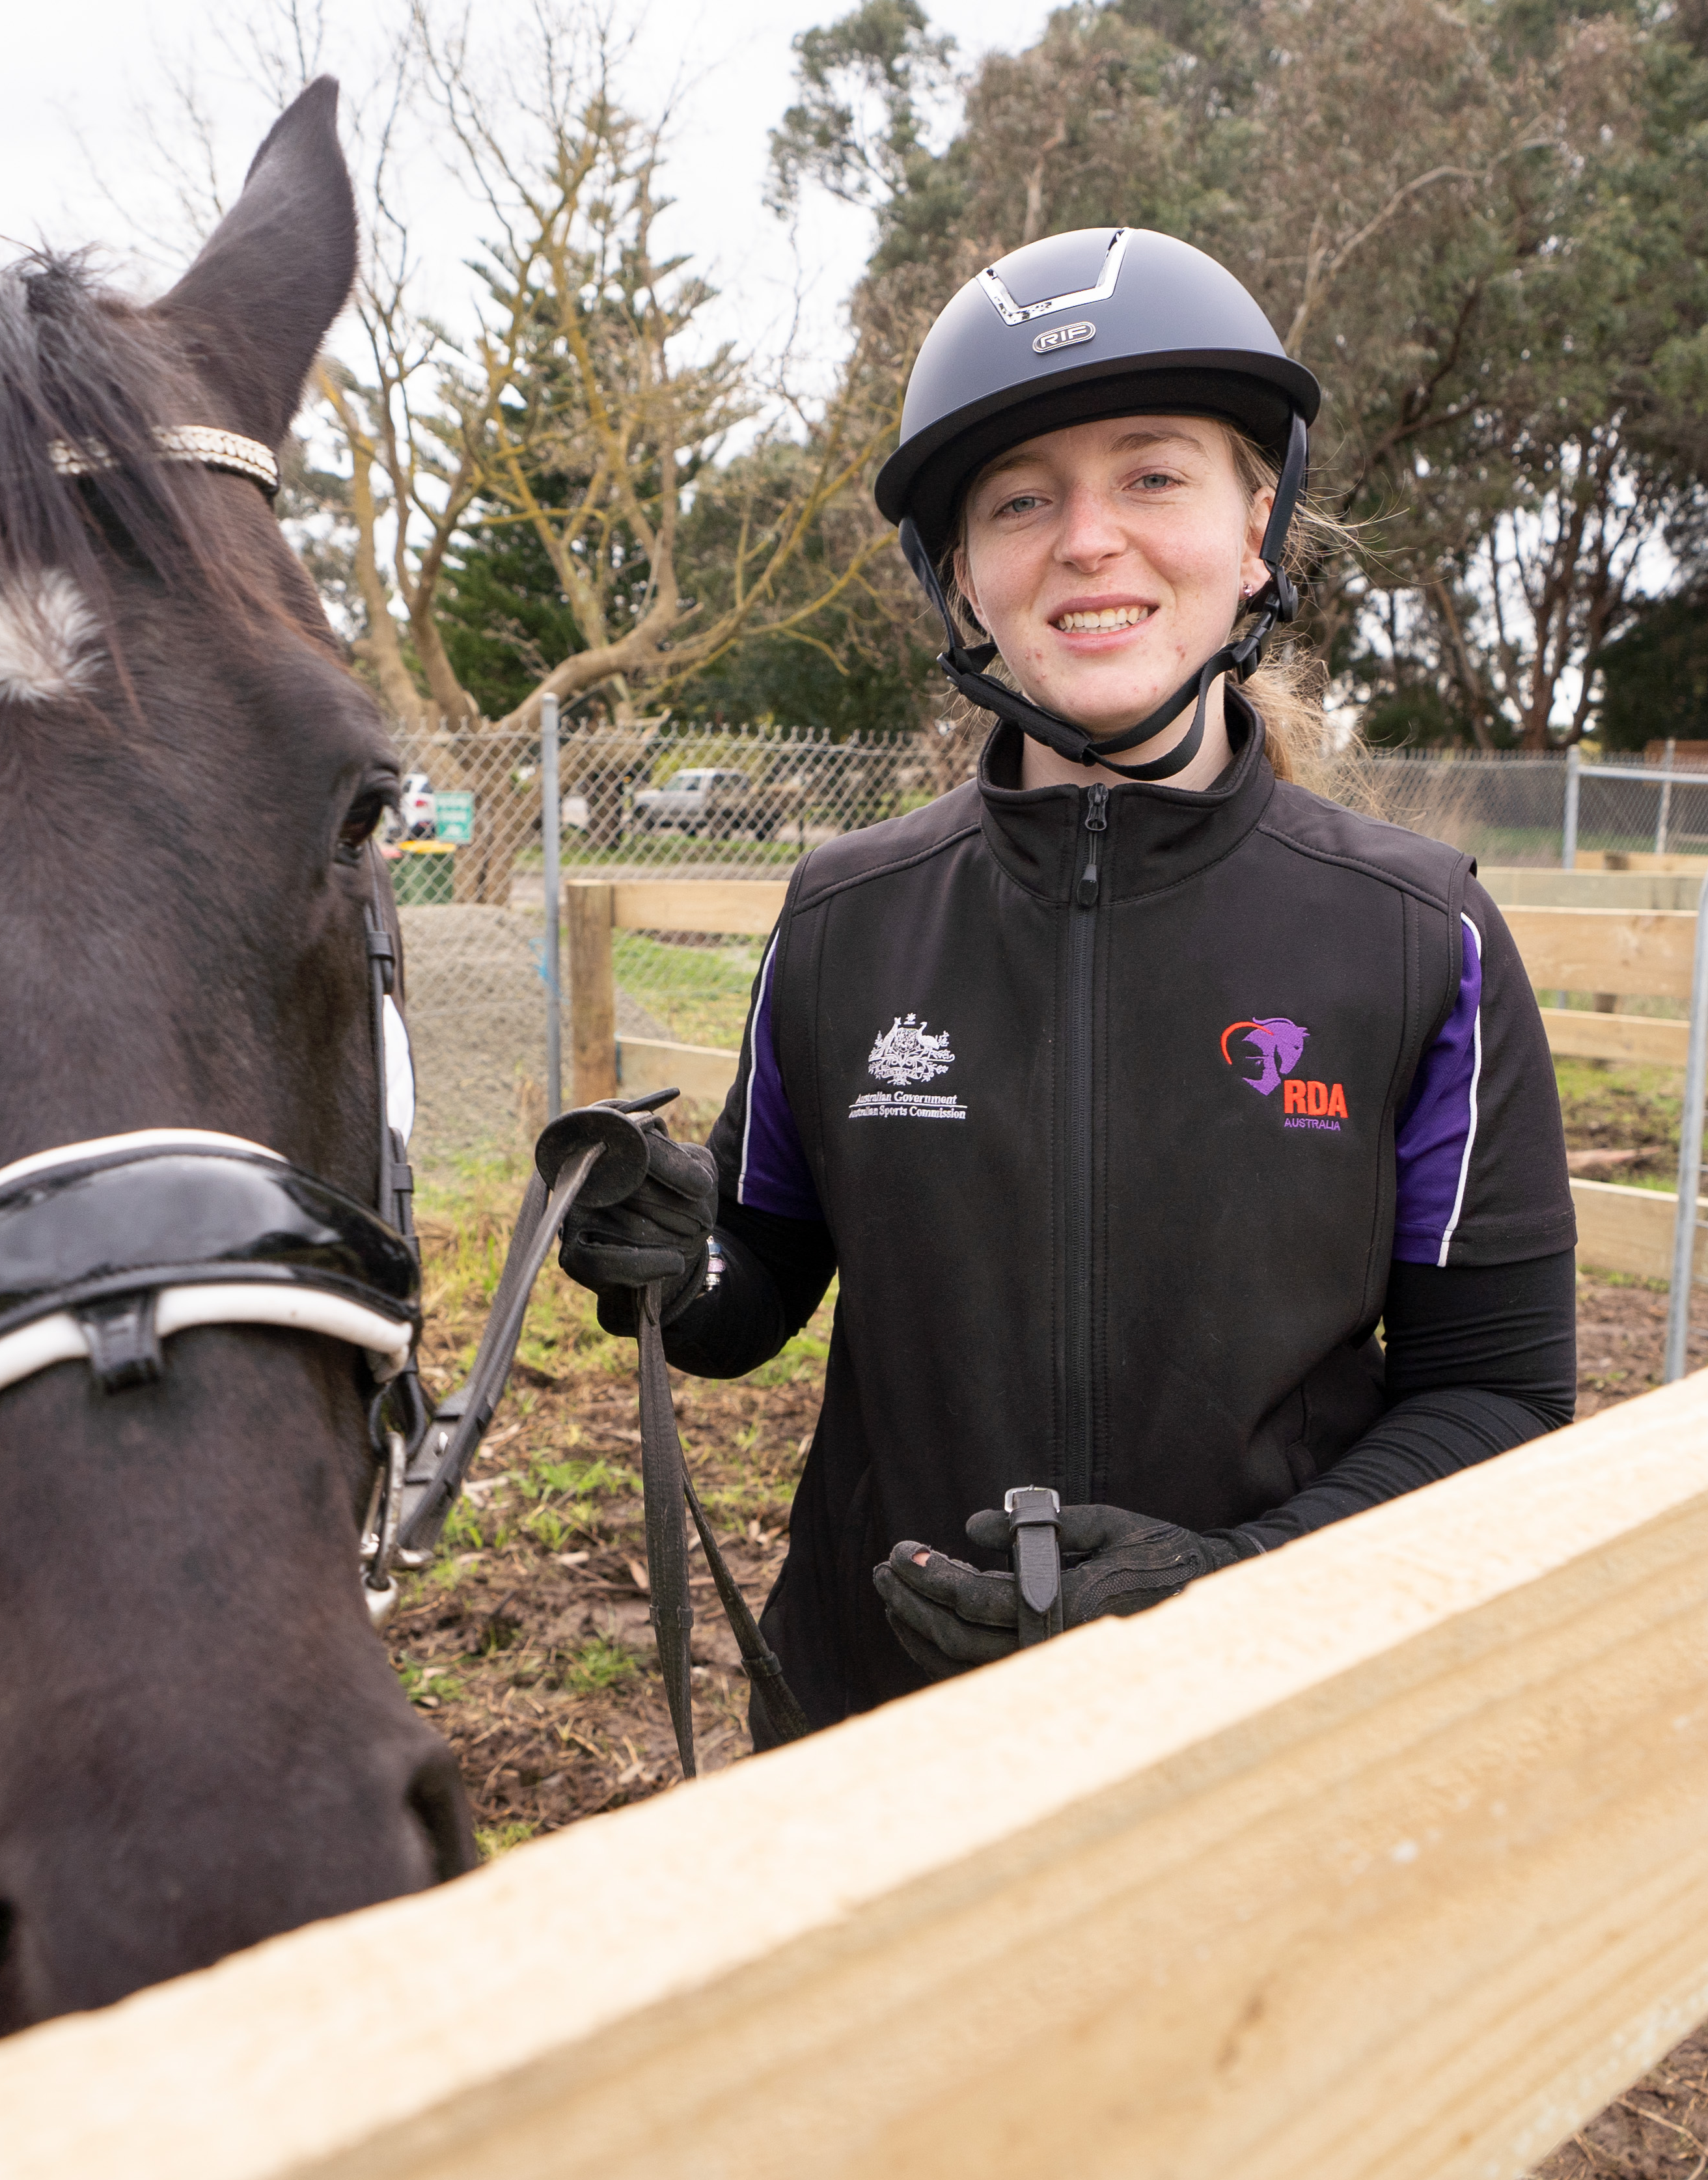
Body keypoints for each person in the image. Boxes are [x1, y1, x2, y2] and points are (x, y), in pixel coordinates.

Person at [553, 228, 1580, 1739]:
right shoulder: (846, 917)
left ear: (1258, 536)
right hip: (869, 1722)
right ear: (963, 573)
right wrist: (669, 1255)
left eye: (1153, 476)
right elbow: (753, 1288)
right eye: (1022, 499)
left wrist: (1224, 1583)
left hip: (1262, 1727)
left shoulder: (1421, 939)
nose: (1088, 539)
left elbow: (1496, 1394)